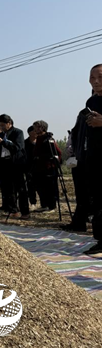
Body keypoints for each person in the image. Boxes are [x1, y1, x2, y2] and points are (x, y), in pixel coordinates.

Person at [78, 64, 102, 254]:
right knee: (97, 199)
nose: (95, 81)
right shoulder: (91, 101)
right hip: (95, 156)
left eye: (100, 77)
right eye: (92, 77)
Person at [0, 114, 30, 219]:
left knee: (21, 189)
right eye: (0, 125)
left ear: (9, 123)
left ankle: (25, 212)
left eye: (3, 125)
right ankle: (13, 210)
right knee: (8, 189)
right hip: (4, 164)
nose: (1, 127)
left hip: (15, 164)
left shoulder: (18, 133)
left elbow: (18, 147)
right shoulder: (1, 134)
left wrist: (4, 142)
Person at [32, 120, 61, 213]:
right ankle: (44, 205)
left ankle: (52, 206)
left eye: (37, 127)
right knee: (40, 187)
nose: (35, 129)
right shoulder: (39, 139)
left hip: (48, 168)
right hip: (39, 168)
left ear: (42, 128)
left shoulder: (48, 139)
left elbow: (58, 152)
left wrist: (53, 163)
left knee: (50, 188)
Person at [24, 125, 38, 209]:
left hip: (39, 167)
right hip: (29, 167)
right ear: (30, 133)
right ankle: (33, 203)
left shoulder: (40, 142)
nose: (36, 132)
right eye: (34, 131)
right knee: (30, 186)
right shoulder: (25, 143)